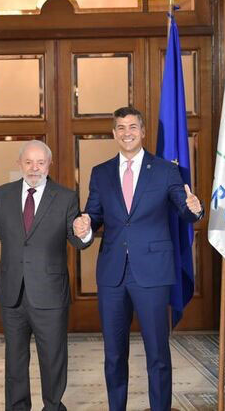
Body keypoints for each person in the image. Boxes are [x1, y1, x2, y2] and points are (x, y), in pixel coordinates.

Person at [75, 106, 203, 411]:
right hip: (112, 275)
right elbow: (93, 214)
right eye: (120, 128)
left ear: (143, 132)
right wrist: (84, 226)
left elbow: (182, 207)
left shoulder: (164, 170)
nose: (127, 133)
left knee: (158, 353)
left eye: (132, 127)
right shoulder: (101, 172)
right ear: (114, 133)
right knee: (113, 354)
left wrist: (194, 208)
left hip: (153, 273)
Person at [0, 140, 92, 411]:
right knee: (15, 361)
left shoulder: (66, 197)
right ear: (19, 164)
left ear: (49, 164)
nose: (34, 168)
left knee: (53, 359)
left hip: (50, 294)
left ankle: (53, 407)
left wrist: (83, 231)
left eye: (40, 162)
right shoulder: (3, 194)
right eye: (29, 162)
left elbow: (78, 240)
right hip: (13, 293)